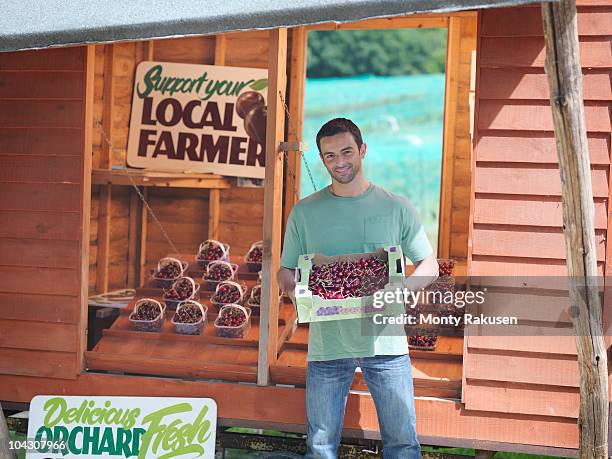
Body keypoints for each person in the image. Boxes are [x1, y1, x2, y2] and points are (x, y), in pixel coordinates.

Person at [277, 118, 439, 459]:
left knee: (402, 444)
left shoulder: (395, 206)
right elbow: (286, 271)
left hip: (387, 343)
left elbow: (429, 265)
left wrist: (400, 290)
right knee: (320, 447)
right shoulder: (305, 213)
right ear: (322, 159)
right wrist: (297, 293)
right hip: (328, 344)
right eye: (330, 155)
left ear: (362, 150)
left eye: (347, 151)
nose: (340, 162)